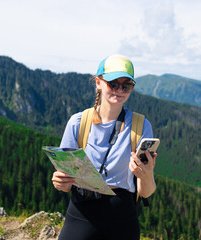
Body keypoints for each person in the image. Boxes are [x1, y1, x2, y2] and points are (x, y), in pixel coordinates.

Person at [52, 54, 157, 240]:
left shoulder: (141, 126)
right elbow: (64, 182)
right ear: (98, 82)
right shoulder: (78, 123)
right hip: (81, 213)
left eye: (126, 85)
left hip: (123, 218)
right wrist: (61, 183)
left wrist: (146, 174)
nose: (120, 90)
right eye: (113, 83)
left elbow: (145, 192)